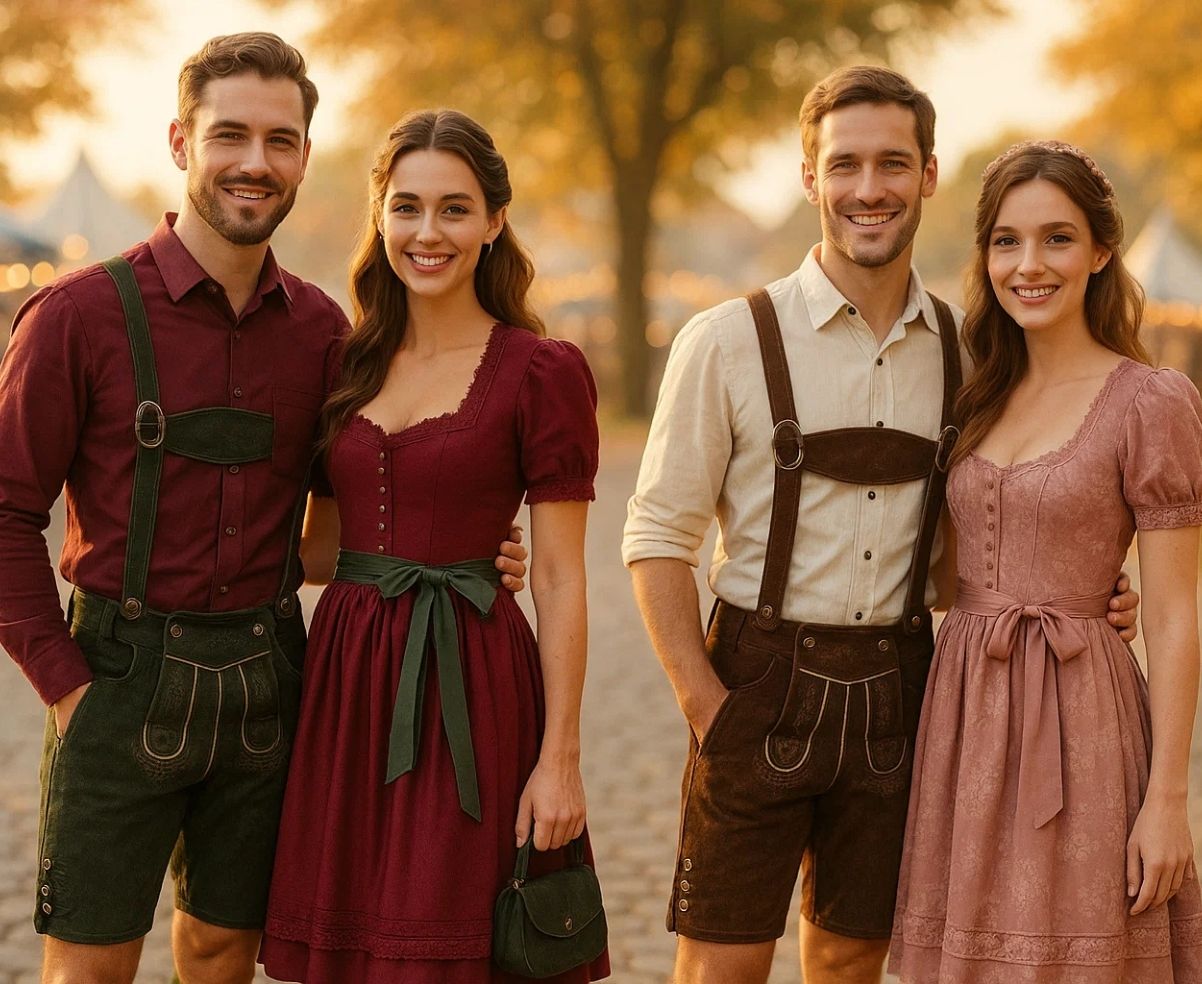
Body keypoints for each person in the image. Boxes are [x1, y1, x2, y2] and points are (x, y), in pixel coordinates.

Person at [0, 35, 526, 984]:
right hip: (117, 675)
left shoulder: (325, 332)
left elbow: (354, 509)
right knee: (86, 965)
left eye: (280, 141)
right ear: (178, 141)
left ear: (304, 160)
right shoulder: (75, 316)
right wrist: (67, 682)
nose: (255, 162)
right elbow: (2, 508)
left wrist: (468, 552)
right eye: (230, 135)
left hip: (271, 684)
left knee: (223, 952)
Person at [623, 67, 1140, 984]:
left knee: (857, 958)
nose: (870, 189)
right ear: (809, 176)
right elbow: (659, 536)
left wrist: (1075, 586)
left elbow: (978, 530)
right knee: (721, 964)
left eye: (893, 163)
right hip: (756, 676)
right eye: (846, 164)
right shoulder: (727, 340)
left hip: (904, 687)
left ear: (930, 173)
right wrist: (708, 706)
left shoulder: (971, 352)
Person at [258, 108, 610, 984]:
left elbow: (563, 578)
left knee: (458, 943)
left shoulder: (541, 369)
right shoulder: (346, 363)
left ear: (494, 222)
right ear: (380, 217)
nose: (428, 232)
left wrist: (559, 761)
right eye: (407, 206)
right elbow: (317, 553)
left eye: (455, 209)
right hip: (344, 690)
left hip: (473, 685)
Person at [889, 140, 1202, 983]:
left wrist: (1169, 801)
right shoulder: (973, 390)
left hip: (1082, 721)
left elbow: (1175, 615)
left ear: (1102, 251)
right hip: (962, 714)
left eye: (1057, 238)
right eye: (1006, 240)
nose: (1029, 264)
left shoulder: (1151, 400)